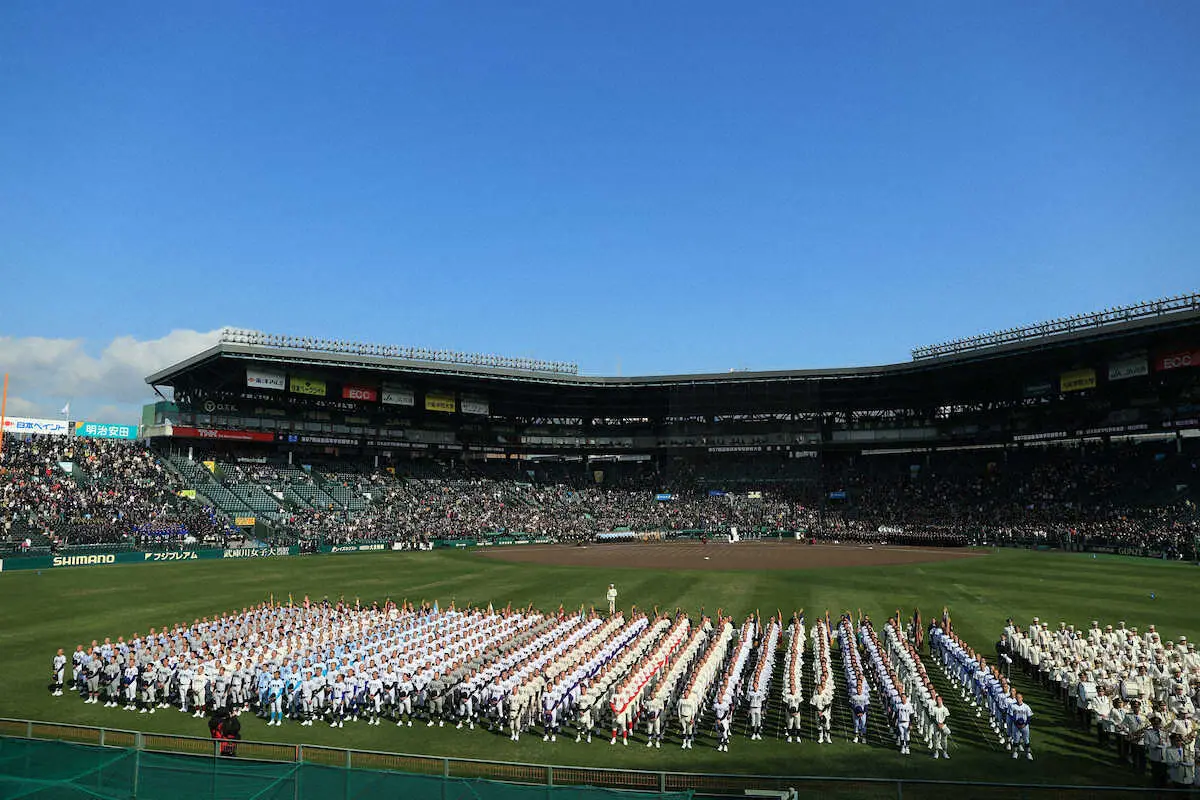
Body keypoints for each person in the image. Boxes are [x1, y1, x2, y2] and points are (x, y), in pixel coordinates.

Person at [1010, 692, 1033, 760]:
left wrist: (1024, 724)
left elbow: (1029, 717)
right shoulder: (1013, 706)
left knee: (1026, 740)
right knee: (1016, 740)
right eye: (1017, 697)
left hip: (1025, 726)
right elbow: (1011, 716)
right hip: (1016, 726)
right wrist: (1016, 723)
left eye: (1019, 697)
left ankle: (1028, 753)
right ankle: (1015, 752)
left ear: (1022, 698)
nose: (1018, 699)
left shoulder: (1026, 706)